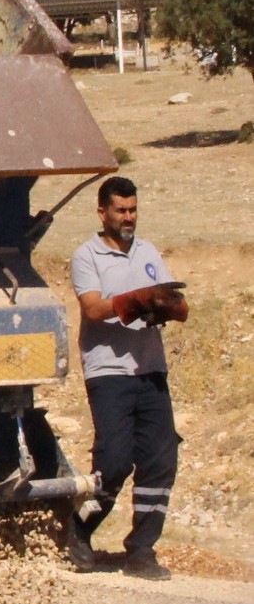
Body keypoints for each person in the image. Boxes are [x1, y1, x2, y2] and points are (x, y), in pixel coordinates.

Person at [67, 176, 188, 579]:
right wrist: (136, 300)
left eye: (133, 209)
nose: (128, 217)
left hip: (151, 370)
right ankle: (78, 531)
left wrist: (167, 306)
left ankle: (141, 551)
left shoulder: (149, 251)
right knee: (114, 462)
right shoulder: (87, 256)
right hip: (109, 373)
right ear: (102, 212)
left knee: (160, 460)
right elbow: (93, 310)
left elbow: (170, 298)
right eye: (121, 210)